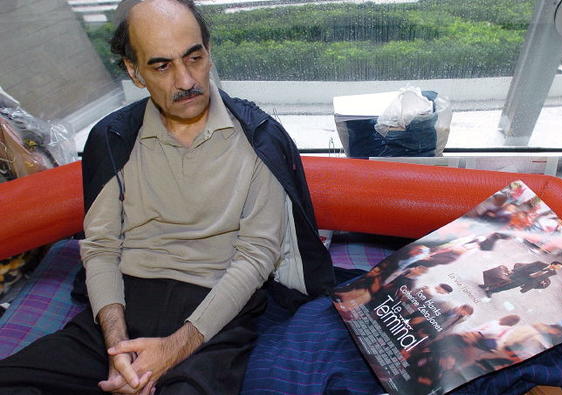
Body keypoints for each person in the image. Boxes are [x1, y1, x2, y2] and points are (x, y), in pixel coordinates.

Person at [0, 0, 333, 394]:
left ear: (208, 53)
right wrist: (117, 349)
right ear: (134, 72)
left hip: (215, 311)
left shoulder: (260, 138)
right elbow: (102, 247)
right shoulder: (112, 139)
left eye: (194, 58)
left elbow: (256, 254)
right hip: (123, 301)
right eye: (162, 66)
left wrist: (174, 349)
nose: (186, 80)